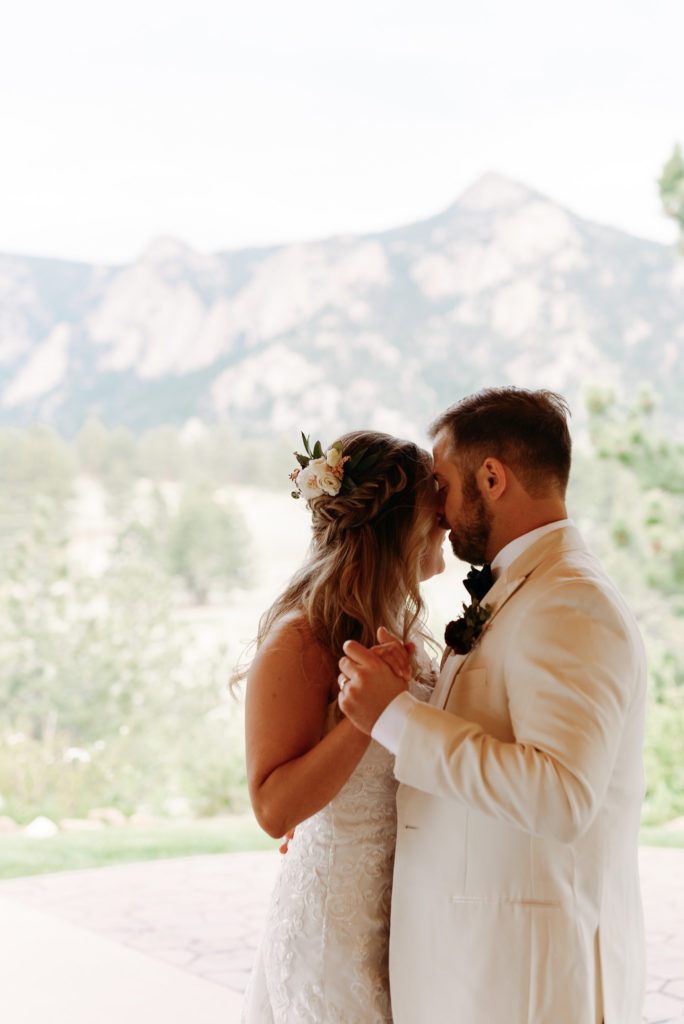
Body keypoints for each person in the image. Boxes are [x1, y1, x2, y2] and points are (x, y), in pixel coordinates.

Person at [338, 388, 647, 1024]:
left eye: (444, 485)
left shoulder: (569, 602)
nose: (439, 511)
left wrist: (394, 717)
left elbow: (560, 796)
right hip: (477, 966)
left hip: (523, 979)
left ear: (492, 477)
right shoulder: (526, 587)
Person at [239, 429, 447, 1023]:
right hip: (335, 931)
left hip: (401, 921)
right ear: (395, 526)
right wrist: (366, 719)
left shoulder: (394, 625)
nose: (447, 525)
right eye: (434, 513)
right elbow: (273, 811)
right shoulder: (301, 639)